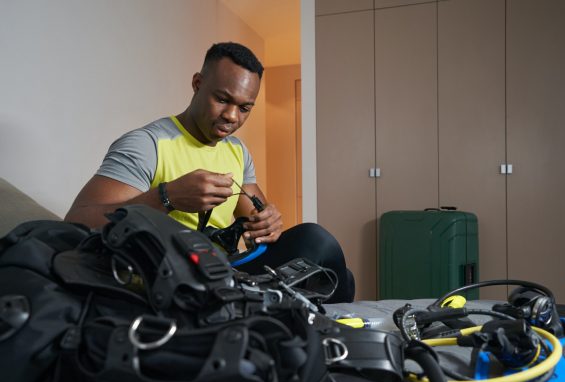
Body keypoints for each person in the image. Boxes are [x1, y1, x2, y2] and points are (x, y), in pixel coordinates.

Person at [65, 42, 354, 303]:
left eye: (244, 108)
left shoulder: (237, 151)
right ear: (197, 83)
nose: (231, 116)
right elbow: (77, 221)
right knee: (316, 240)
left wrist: (268, 223)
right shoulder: (148, 144)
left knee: (338, 273)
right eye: (222, 99)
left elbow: (256, 225)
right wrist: (167, 197)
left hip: (227, 269)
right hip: (171, 275)